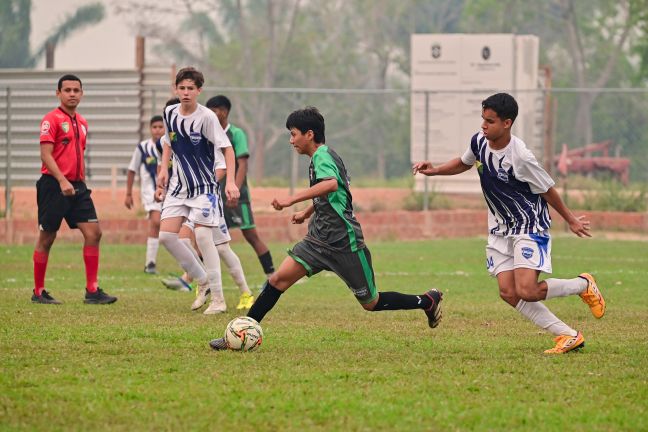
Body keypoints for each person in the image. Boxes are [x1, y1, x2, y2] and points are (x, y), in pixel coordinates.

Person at [209, 107, 443, 350]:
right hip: (317, 240)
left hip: (345, 243)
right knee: (277, 280)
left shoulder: (322, 156)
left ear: (309, 134)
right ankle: (238, 333)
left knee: (371, 302)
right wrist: (308, 212)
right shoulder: (323, 157)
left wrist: (291, 200)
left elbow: (331, 185)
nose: (291, 140)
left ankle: (426, 301)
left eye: (293, 134)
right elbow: (336, 191)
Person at [412, 92, 605, 354]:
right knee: (508, 292)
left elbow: (547, 189)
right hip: (500, 228)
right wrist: (433, 170)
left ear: (507, 123)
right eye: (482, 119)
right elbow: (464, 162)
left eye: (490, 121)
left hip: (529, 225)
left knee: (527, 290)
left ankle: (583, 284)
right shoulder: (479, 141)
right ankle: (568, 335)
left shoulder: (521, 157)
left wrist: (570, 219)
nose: (483, 125)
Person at [155, 67, 240, 314]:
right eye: (181, 88)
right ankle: (202, 281)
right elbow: (167, 143)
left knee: (203, 238)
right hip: (178, 187)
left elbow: (228, 149)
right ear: (175, 89)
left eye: (190, 88)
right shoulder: (169, 113)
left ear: (198, 91)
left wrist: (231, 181)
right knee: (167, 237)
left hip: (204, 186)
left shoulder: (206, 118)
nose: (185, 92)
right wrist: (164, 169)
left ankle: (219, 300)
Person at [32, 74, 117, 305]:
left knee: (94, 233)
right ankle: (38, 292)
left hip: (78, 186)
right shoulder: (51, 119)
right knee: (47, 237)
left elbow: (77, 154)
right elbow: (45, 155)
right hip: (54, 184)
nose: (72, 94)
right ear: (58, 93)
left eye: (76, 90)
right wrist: (61, 180)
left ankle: (92, 290)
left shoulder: (82, 122)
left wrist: (77, 182)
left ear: (82, 93)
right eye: (67, 90)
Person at [205, 95, 275, 279]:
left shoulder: (236, 133)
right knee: (206, 236)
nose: (210, 114)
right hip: (213, 195)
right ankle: (193, 278)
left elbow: (242, 164)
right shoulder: (208, 133)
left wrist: (233, 190)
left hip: (236, 195)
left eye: (214, 111)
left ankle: (272, 276)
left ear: (224, 112)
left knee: (251, 235)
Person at [125, 115, 165, 274]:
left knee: (173, 229)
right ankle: (150, 263)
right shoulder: (143, 148)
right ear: (150, 129)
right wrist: (128, 194)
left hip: (170, 192)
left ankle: (190, 263)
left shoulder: (170, 147)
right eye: (154, 127)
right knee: (156, 222)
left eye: (161, 127)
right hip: (150, 193)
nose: (157, 130)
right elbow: (131, 170)